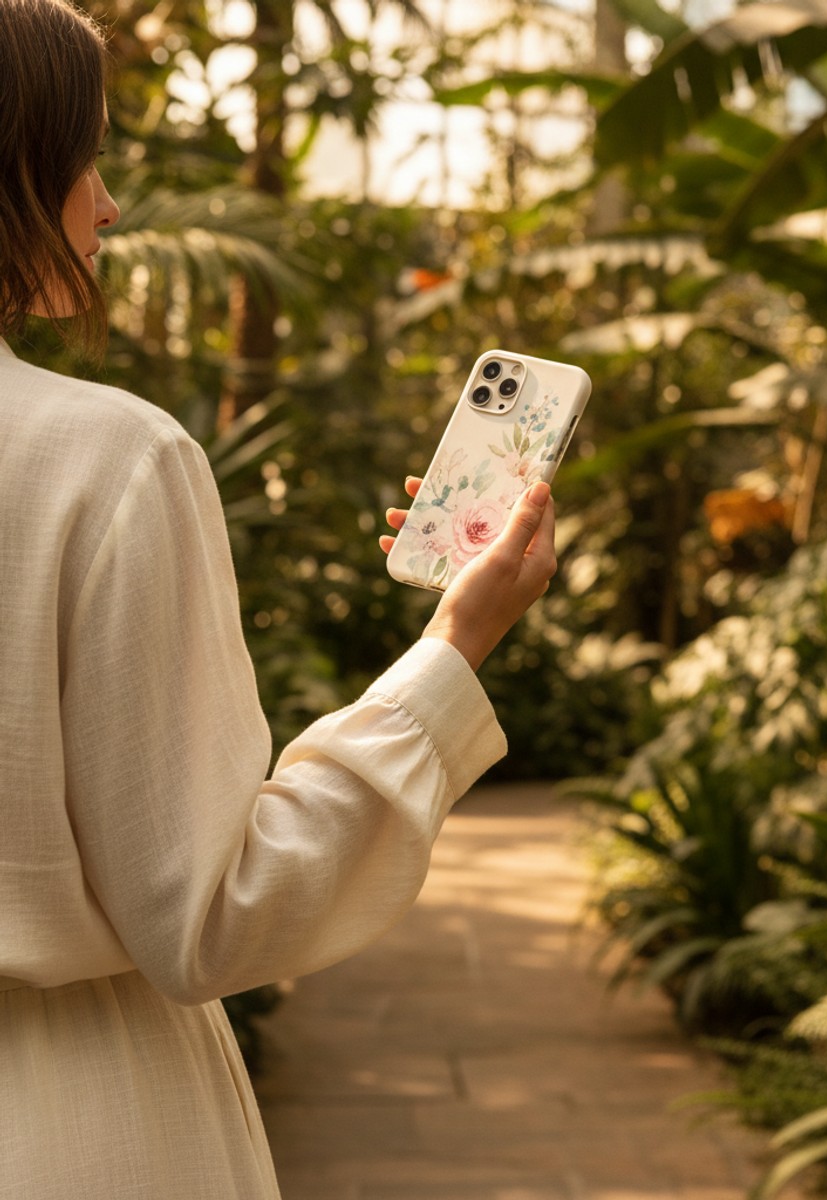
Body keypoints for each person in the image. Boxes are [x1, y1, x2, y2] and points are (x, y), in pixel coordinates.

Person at [0, 1, 557, 1196]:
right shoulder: (109, 464)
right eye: (83, 158)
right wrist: (456, 643)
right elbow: (212, 914)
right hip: (72, 1125)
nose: (107, 205)